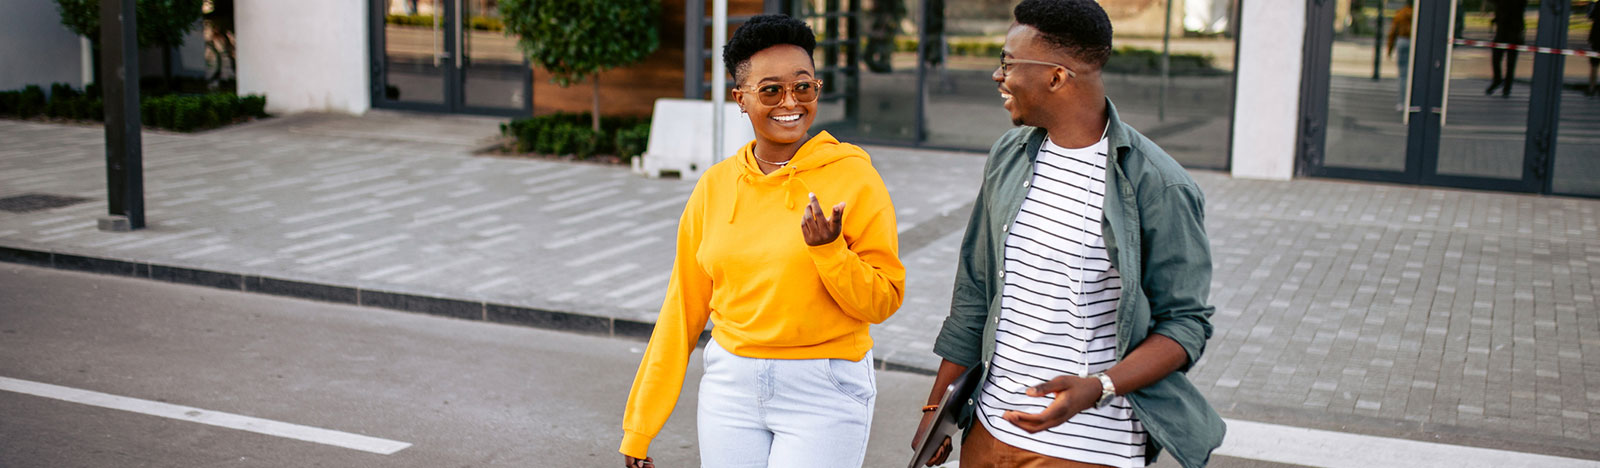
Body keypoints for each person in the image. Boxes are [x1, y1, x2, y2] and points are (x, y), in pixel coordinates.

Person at [912, 1, 1224, 467]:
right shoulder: (1010, 155)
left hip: (1088, 447)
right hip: (989, 432)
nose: (999, 76)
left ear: (1057, 77)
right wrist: (936, 411)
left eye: (1008, 63)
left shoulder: (1157, 183)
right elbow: (975, 294)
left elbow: (1185, 323)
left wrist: (1100, 387)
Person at [619, 14, 906, 468]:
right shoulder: (714, 187)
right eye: (770, 90)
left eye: (803, 87)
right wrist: (641, 424)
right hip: (730, 386)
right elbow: (683, 308)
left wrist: (829, 252)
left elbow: (883, 301)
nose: (789, 102)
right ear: (741, 99)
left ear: (817, 88)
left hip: (824, 387)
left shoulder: (855, 178)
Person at [1485, 0, 1528, 97]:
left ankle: (1505, 86)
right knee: (1498, 58)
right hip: (1504, 29)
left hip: (1512, 29)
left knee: (1509, 62)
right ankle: (1500, 82)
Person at [1387, 3, 1414, 110]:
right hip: (1414, 41)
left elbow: (1393, 32)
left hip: (1402, 40)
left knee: (1403, 75)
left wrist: (1390, 48)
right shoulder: (1418, 15)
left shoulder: (1400, 14)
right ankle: (1412, 100)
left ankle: (1402, 103)